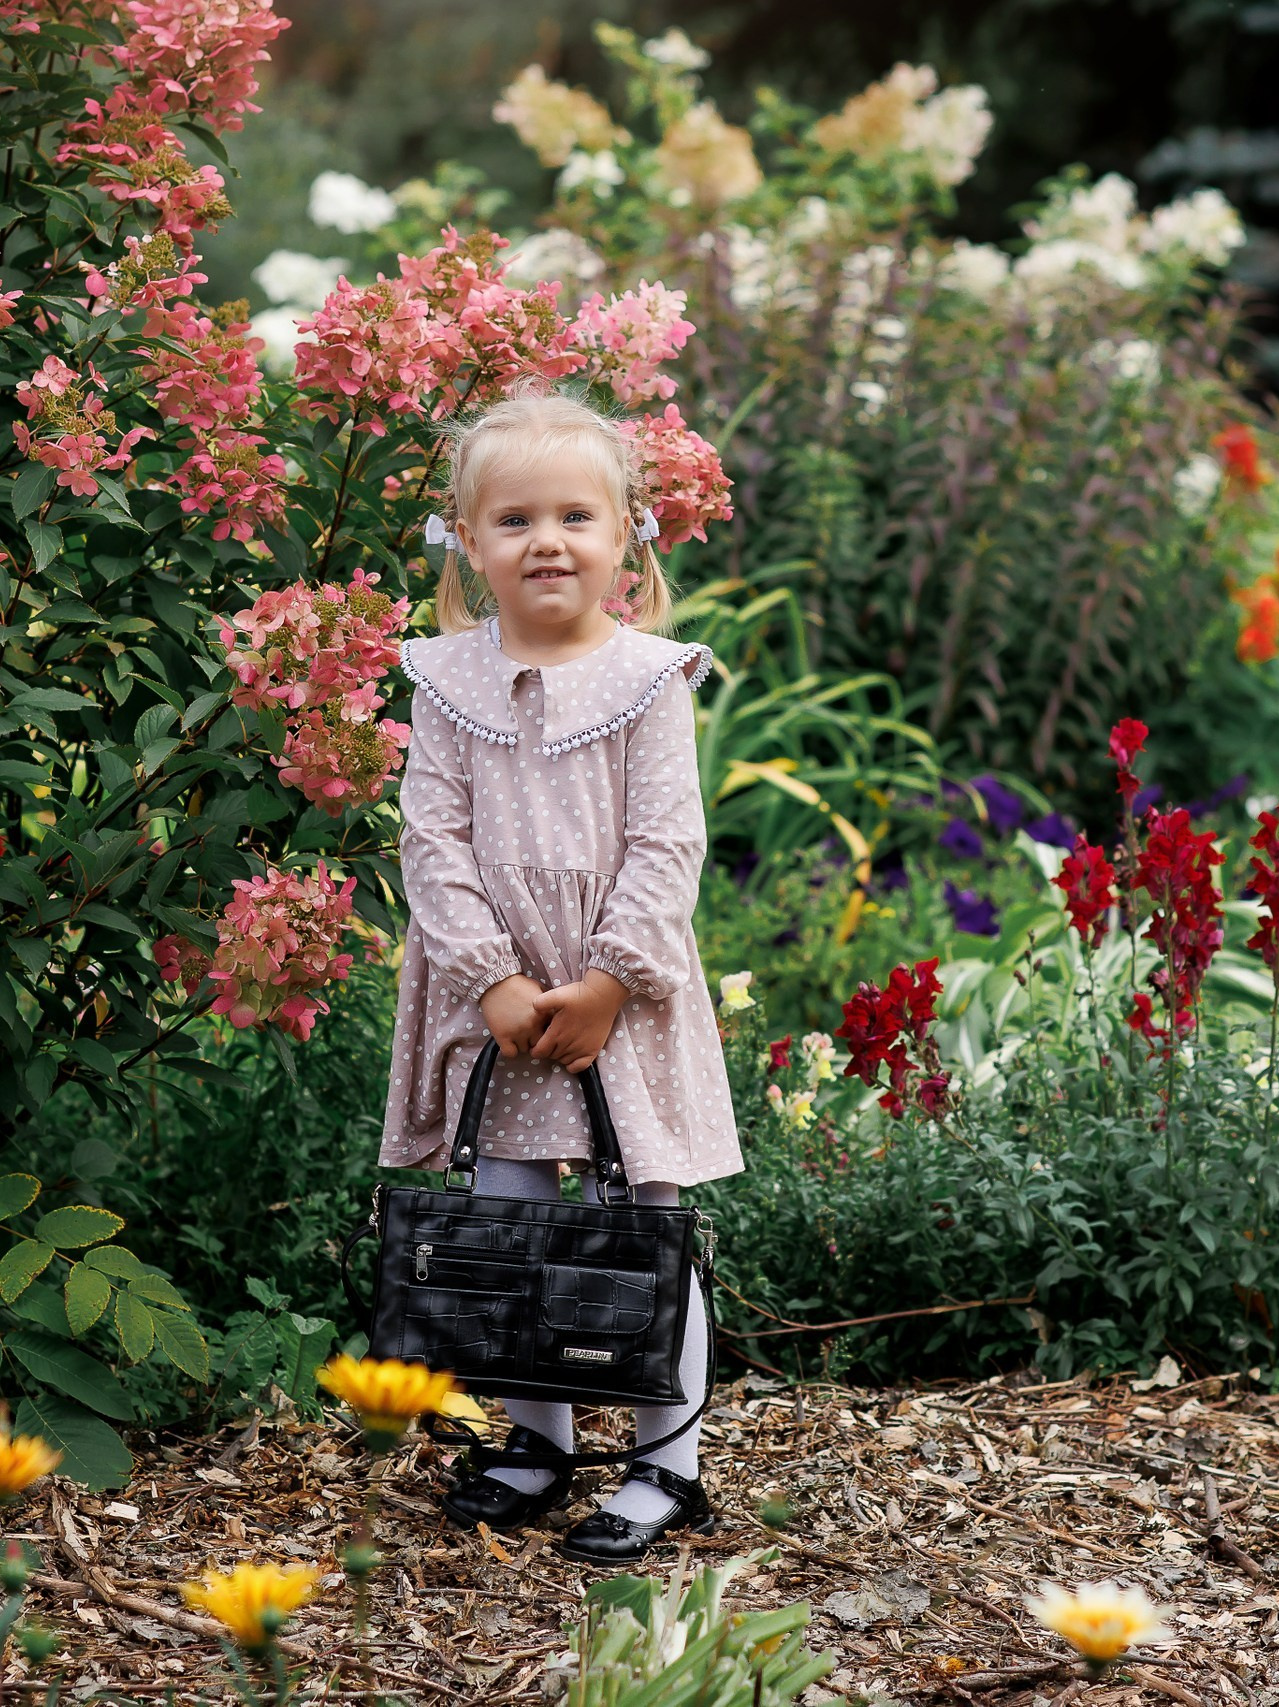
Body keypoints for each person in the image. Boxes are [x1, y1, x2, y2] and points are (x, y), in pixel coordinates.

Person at [379, 384, 742, 1565]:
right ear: (469, 542)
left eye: (576, 517)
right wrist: (488, 978)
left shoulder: (647, 679)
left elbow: (665, 843)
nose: (548, 541)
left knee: (645, 1225)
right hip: (495, 1003)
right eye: (516, 520)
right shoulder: (447, 681)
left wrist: (608, 983)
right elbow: (428, 840)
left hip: (615, 999)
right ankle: (535, 1441)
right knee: (511, 1223)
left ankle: (662, 1466)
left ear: (625, 534)